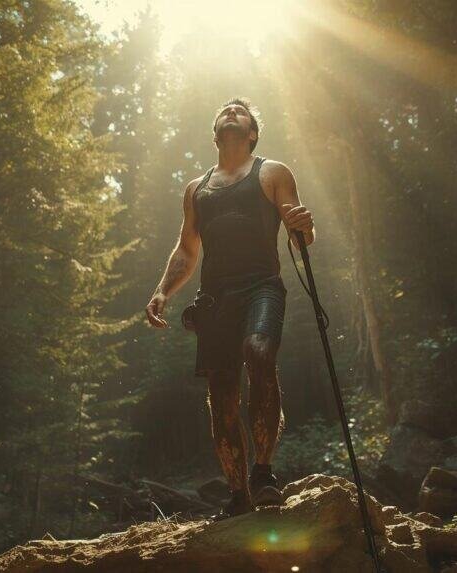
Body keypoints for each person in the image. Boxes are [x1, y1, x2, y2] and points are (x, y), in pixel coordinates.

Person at [144, 98, 316, 520]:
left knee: (259, 352)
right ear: (215, 133)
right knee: (221, 399)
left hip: (263, 287)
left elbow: (300, 238)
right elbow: (187, 249)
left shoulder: (272, 172)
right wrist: (163, 291)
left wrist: (304, 227)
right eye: (225, 111)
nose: (232, 113)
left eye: (241, 113)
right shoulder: (196, 189)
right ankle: (238, 496)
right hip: (214, 299)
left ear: (252, 132)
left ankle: (263, 474)